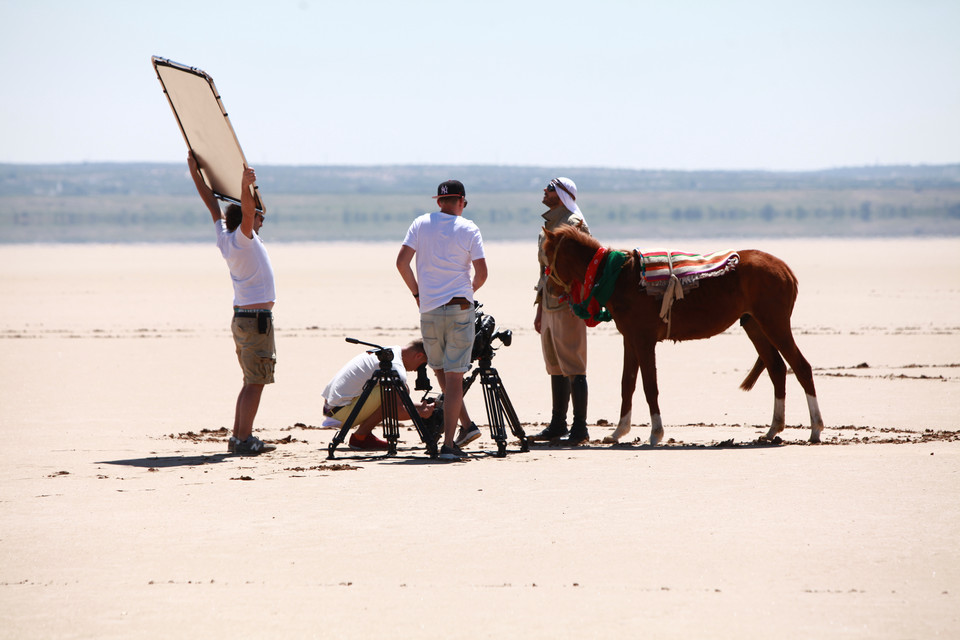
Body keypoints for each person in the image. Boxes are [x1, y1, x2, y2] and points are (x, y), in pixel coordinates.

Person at [188, 152, 276, 456]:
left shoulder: (225, 236)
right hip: (255, 320)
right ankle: (243, 438)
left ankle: (240, 436)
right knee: (256, 382)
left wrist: (195, 173)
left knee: (251, 380)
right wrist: (243, 184)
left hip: (245, 317)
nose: (262, 219)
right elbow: (246, 212)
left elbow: (211, 203)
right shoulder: (241, 238)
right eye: (260, 215)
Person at [396, 180, 487, 460]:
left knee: (440, 372)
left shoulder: (421, 223)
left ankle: (466, 427)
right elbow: (482, 273)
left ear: (439, 202)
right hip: (459, 308)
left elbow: (401, 263)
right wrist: (466, 292)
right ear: (461, 202)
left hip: (430, 309)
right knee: (455, 377)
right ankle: (449, 443)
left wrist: (417, 294)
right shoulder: (469, 228)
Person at [531, 177, 591, 446]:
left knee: (574, 365)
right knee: (555, 365)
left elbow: (585, 267)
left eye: (550, 188)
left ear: (563, 194)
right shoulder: (551, 223)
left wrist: (575, 299)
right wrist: (540, 308)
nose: (545, 190)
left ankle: (580, 428)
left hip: (568, 303)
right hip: (549, 302)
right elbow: (545, 270)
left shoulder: (575, 224)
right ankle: (558, 424)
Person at [321, 340, 436, 451]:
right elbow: (396, 410)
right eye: (423, 365)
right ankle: (360, 438)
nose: (418, 370)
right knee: (394, 390)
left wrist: (420, 406)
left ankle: (364, 435)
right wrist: (422, 413)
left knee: (396, 390)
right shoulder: (395, 366)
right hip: (341, 415)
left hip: (333, 408)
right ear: (419, 356)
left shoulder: (390, 351)